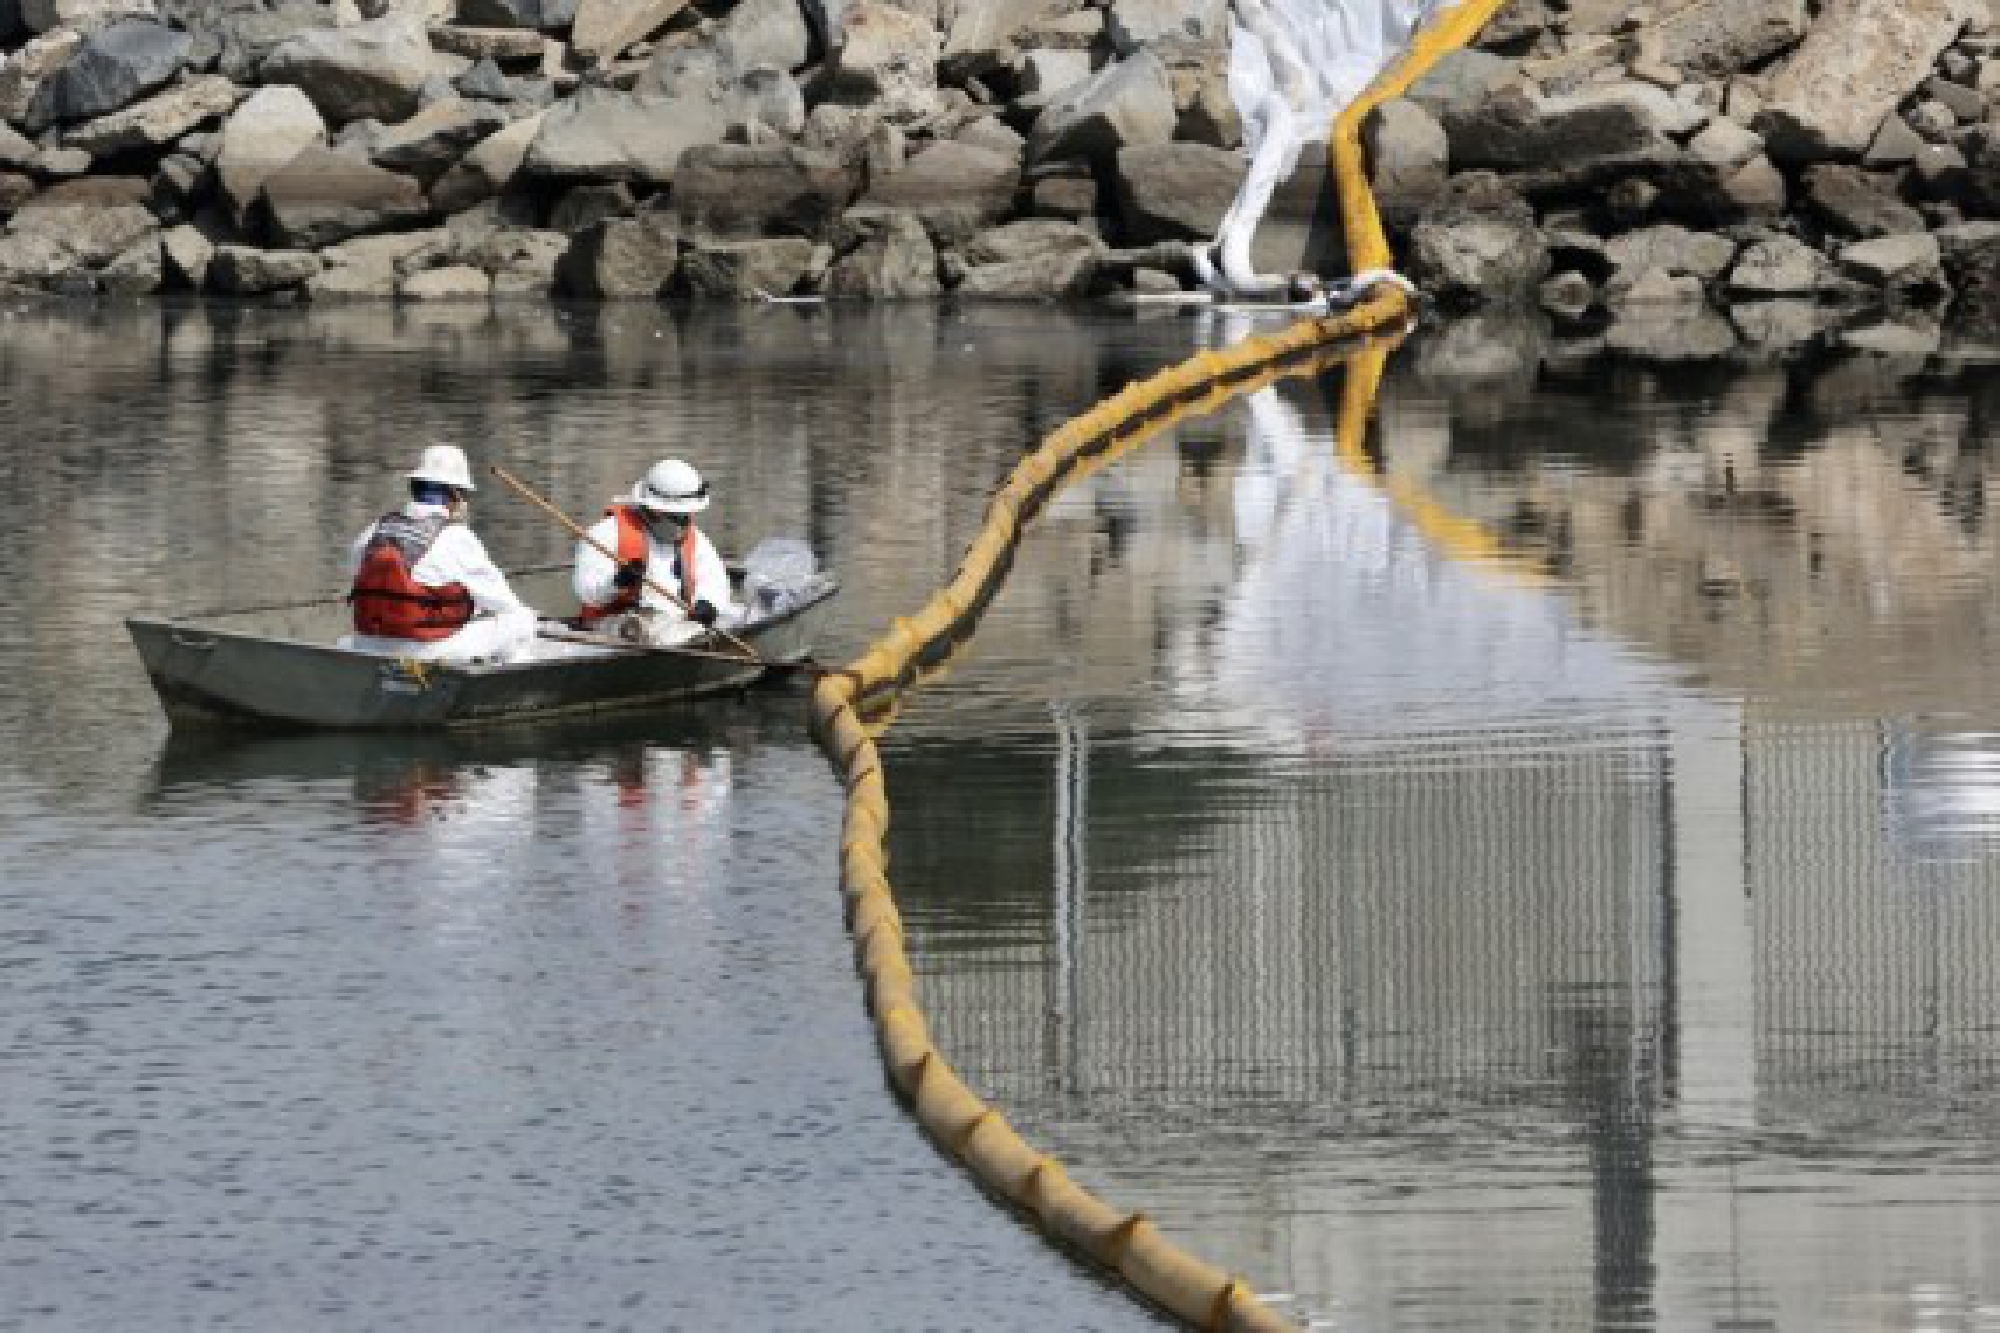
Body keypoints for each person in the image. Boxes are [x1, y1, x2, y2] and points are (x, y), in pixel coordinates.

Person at [344, 444, 539, 663]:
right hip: (424, 651)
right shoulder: (457, 537)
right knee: (520, 619)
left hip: (367, 643)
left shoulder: (373, 530)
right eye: (464, 495)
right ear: (455, 495)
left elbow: (359, 577)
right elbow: (503, 602)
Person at [573, 458, 735, 640]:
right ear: (651, 508)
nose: (682, 522)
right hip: (613, 626)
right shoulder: (606, 532)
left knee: (690, 631)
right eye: (675, 516)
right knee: (634, 629)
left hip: (676, 623)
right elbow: (587, 592)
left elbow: (715, 580)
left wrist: (708, 604)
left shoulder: (695, 537)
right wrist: (618, 582)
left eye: (686, 516)